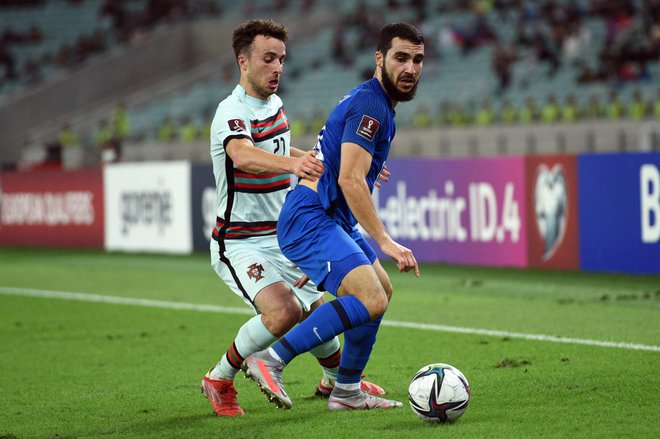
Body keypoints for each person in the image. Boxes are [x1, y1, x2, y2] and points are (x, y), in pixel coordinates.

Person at [201, 19, 385, 418]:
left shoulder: (276, 105)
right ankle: (219, 378)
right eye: (268, 59)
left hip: (283, 235)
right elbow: (244, 156)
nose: (277, 68)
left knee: (317, 309)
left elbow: (290, 151)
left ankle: (337, 382)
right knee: (285, 312)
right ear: (243, 62)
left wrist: (350, 159)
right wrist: (295, 163)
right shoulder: (229, 112)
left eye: (282, 59)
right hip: (240, 241)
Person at [243, 22, 423, 412]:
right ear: (380, 58)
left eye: (418, 59)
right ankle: (270, 359)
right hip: (311, 218)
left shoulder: (374, 101)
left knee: (381, 292)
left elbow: (339, 158)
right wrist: (386, 241)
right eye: (401, 57)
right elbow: (350, 179)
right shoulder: (371, 105)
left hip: (328, 218)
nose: (410, 68)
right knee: (369, 296)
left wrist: (369, 162)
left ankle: (346, 391)